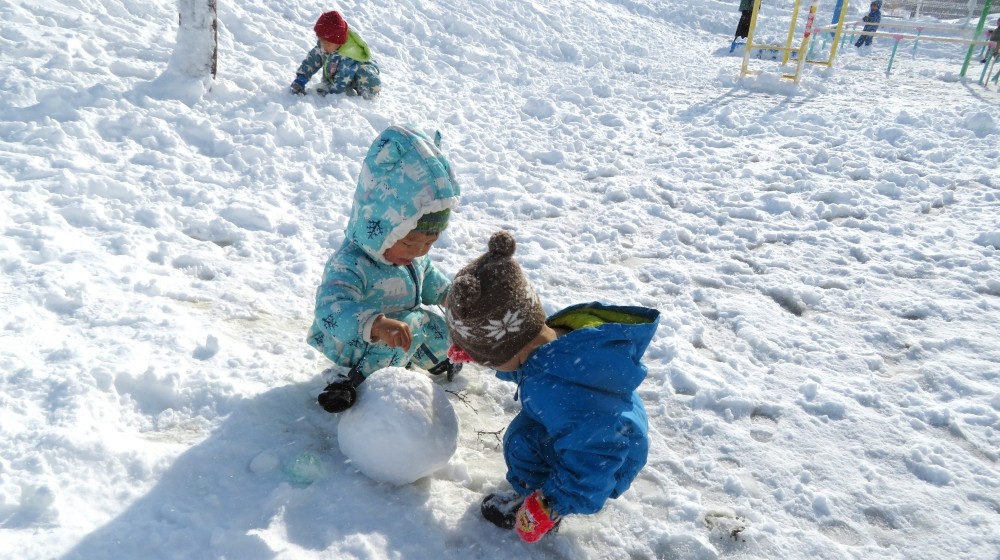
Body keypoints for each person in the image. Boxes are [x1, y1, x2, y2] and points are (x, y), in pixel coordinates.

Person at [443, 231, 660, 543]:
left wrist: (551, 504)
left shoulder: (558, 392)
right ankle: (546, 486)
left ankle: (541, 499)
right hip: (608, 433)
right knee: (529, 433)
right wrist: (480, 352)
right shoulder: (558, 344)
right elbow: (528, 367)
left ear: (506, 351)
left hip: (606, 460)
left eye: (489, 360)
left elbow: (595, 453)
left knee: (523, 442)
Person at [307, 124, 461, 413]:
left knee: (438, 329)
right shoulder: (351, 263)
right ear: (382, 230)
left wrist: (449, 295)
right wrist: (375, 325)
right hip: (360, 342)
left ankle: (440, 358)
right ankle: (345, 382)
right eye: (410, 242)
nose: (420, 252)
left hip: (406, 327)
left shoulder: (412, 257)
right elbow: (330, 308)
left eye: (430, 242)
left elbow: (429, 278)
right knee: (389, 345)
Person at [289, 10, 381, 99]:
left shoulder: (348, 55)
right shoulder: (325, 46)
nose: (323, 46)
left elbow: (342, 79)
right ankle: (332, 84)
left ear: (338, 42)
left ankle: (368, 93)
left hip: (359, 72)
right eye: (321, 41)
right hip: (339, 75)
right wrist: (301, 78)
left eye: (327, 44)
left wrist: (333, 94)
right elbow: (312, 60)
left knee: (366, 75)